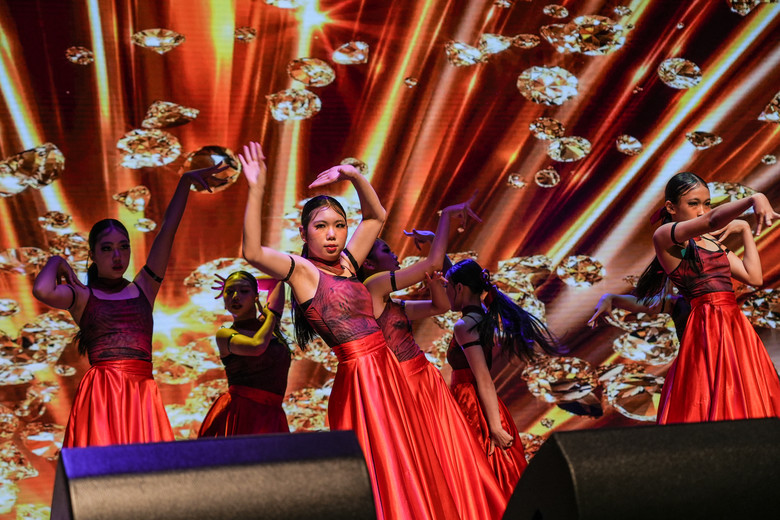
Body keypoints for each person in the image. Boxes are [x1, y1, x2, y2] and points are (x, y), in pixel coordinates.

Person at [238, 141, 459, 520]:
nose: (332, 235)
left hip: (387, 367)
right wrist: (256, 188)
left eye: (339, 226)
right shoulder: (303, 272)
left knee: (409, 454)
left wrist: (352, 174)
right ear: (304, 233)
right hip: (362, 377)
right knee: (384, 461)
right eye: (321, 227)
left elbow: (375, 217)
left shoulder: (348, 263)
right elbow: (253, 253)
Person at [32, 163, 229, 447]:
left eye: (123, 247)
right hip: (102, 394)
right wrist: (57, 261)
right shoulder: (83, 296)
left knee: (147, 466)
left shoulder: (143, 288)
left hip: (142, 393)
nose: (117, 256)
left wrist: (185, 182)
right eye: (107, 248)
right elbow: (41, 289)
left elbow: (167, 231)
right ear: (92, 255)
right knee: (104, 464)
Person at [358, 206, 507, 518]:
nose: (395, 254)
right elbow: (433, 263)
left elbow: (441, 306)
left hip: (427, 382)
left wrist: (437, 284)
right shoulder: (374, 287)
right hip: (407, 386)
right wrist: (445, 219)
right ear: (369, 263)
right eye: (386, 250)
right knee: (429, 457)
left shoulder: (393, 304)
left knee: (449, 457)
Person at [633, 171, 780, 424]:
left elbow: (754, 277)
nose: (701, 211)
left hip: (735, 324)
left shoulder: (711, 243)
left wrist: (745, 229)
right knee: (713, 391)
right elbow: (711, 221)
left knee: (745, 390)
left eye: (707, 203)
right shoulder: (665, 235)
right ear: (671, 207)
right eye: (693, 204)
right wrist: (754, 198)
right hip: (707, 323)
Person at [443, 258, 562, 499]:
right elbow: (461, 278)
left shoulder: (465, 325)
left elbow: (483, 378)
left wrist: (495, 428)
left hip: (471, 406)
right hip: (477, 403)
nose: (445, 293)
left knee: (481, 476)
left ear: (459, 288)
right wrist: (437, 245)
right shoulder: (482, 315)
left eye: (447, 287)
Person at [198, 272, 290, 437]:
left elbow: (276, 281)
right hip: (241, 413)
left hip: (272, 414)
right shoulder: (225, 334)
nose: (235, 296)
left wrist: (240, 282)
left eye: (244, 291)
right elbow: (257, 346)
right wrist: (270, 317)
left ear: (256, 296)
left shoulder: (268, 326)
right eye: (229, 291)